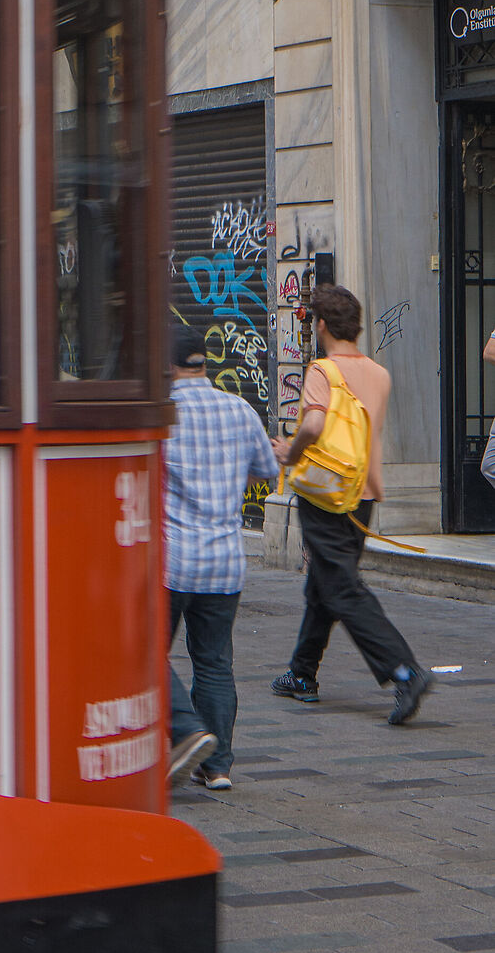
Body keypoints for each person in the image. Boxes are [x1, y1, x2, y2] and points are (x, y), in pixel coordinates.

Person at [272, 283, 431, 725]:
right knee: (327, 581)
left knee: (341, 587)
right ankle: (302, 674)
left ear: (321, 325)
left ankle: (404, 670)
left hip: (324, 493)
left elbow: (317, 423)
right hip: (362, 494)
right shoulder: (380, 374)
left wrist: (290, 451)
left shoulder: (322, 370)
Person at [164, 328, 280, 790]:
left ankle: (187, 730)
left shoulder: (162, 414)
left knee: (142, 653)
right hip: (226, 560)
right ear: (204, 363)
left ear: (167, 365)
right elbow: (268, 471)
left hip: (172, 560)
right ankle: (218, 767)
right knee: (214, 662)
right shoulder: (239, 408)